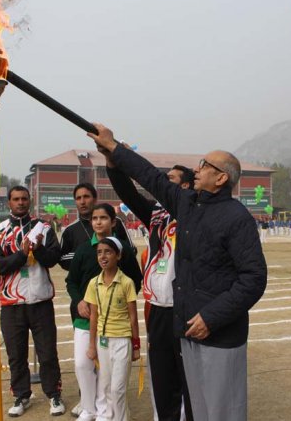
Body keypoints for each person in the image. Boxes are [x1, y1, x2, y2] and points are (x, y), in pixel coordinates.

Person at [88, 124, 267, 421]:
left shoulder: (237, 218)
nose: (198, 168)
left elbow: (254, 278)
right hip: (183, 325)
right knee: (194, 406)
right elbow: (150, 178)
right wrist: (114, 150)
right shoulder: (187, 205)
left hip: (218, 332)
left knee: (222, 409)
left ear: (221, 178)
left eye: (205, 165)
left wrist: (212, 316)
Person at [105, 154, 195, 421]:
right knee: (161, 371)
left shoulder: (195, 212)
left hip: (185, 306)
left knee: (186, 373)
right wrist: (112, 162)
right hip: (157, 307)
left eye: (170, 180)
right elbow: (128, 194)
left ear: (185, 187)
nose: (162, 184)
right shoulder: (156, 213)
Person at [66, 204, 142, 421]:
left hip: (115, 326)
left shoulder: (124, 250)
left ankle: (107, 412)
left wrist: (119, 303)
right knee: (83, 364)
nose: (98, 222)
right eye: (94, 218)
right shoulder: (82, 250)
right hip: (85, 321)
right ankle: (89, 408)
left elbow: (135, 281)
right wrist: (79, 301)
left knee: (108, 375)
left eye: (103, 218)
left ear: (113, 222)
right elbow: (71, 281)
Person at [0, 186, 65, 417]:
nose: (20, 203)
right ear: (8, 202)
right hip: (10, 303)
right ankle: (21, 395)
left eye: (24, 198)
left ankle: (54, 394)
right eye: (16, 199)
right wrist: (21, 254)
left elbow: (54, 259)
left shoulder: (44, 228)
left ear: (30, 200)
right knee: (16, 355)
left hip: (41, 300)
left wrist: (39, 249)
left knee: (47, 353)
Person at [84, 237, 141, 421]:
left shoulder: (126, 282)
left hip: (122, 340)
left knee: (118, 388)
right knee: (107, 386)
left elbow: (133, 317)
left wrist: (136, 345)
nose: (103, 256)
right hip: (103, 341)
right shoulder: (93, 283)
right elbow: (94, 316)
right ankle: (115, 417)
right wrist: (92, 345)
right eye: (99, 252)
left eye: (108, 252)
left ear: (118, 255)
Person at [59, 182, 134, 272]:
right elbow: (62, 259)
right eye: (78, 198)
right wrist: (88, 258)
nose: (82, 202)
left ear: (95, 199)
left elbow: (131, 250)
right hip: (85, 283)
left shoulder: (115, 221)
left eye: (86, 197)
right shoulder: (70, 230)